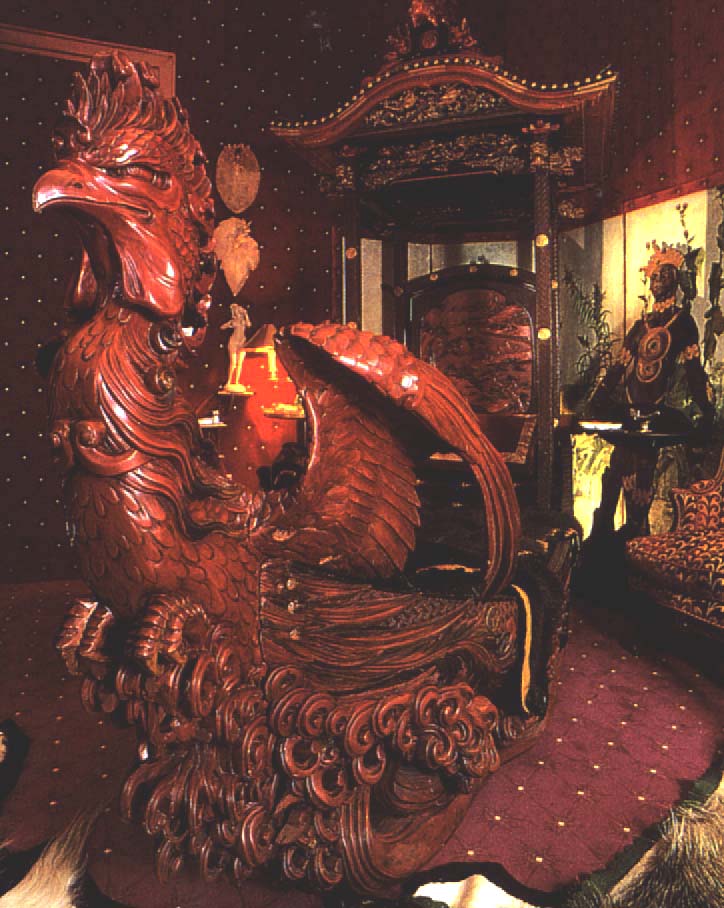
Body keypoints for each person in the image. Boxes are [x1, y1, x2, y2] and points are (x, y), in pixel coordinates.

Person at [588, 241, 714, 538]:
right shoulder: (641, 326)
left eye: (665, 276)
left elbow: (694, 371)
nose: (658, 281)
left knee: (642, 477)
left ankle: (636, 536)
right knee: (617, 470)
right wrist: (597, 400)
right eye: (655, 276)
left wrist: (707, 409)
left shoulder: (682, 323)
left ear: (676, 281)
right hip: (628, 414)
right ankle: (605, 536)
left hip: (655, 414)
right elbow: (619, 366)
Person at [220, 303, 252, 388]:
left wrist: (246, 315)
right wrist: (229, 324)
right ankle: (229, 381)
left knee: (240, 363)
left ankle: (236, 381)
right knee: (233, 362)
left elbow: (249, 324)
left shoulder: (244, 321)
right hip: (234, 342)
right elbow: (222, 327)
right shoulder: (234, 321)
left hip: (242, 343)